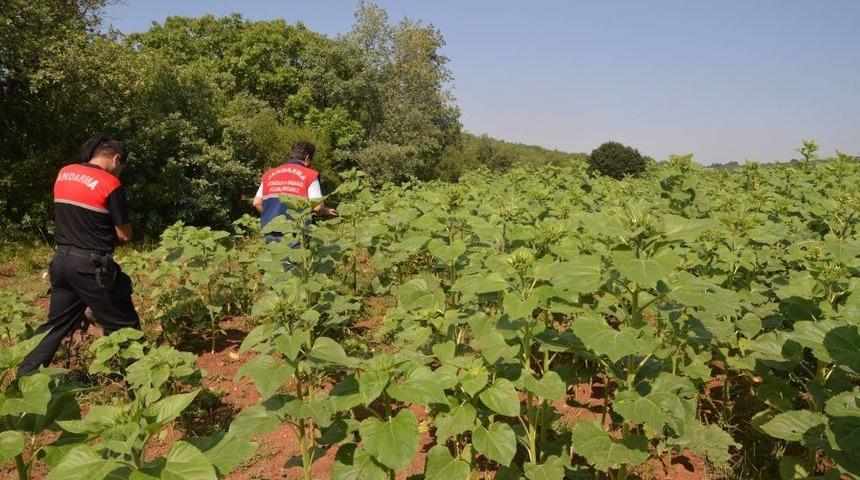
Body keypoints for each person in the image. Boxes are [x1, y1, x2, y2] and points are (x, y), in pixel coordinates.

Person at [17, 135, 141, 376]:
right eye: (122, 167)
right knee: (126, 326)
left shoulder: (65, 173)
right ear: (117, 158)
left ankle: (22, 381)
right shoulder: (110, 183)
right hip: (91, 267)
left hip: (61, 262)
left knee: (55, 327)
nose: (120, 173)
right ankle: (142, 389)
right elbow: (124, 234)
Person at [253, 141, 338, 244]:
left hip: (270, 230)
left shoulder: (270, 174)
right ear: (307, 158)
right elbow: (318, 208)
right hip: (295, 231)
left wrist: (272, 218)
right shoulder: (310, 175)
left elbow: (257, 202)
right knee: (294, 259)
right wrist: (326, 211)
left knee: (276, 258)